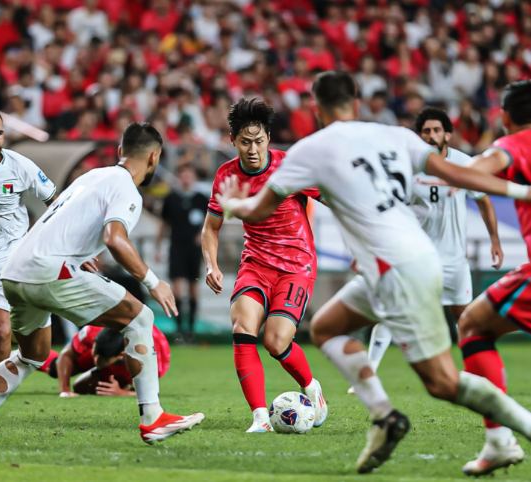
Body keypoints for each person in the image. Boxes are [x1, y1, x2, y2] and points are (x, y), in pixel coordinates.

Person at [214, 71, 531, 474]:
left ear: (316, 108)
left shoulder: (311, 149)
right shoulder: (396, 136)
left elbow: (257, 209)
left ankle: (513, 431)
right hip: (413, 257)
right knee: (327, 327)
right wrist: (522, 191)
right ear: (357, 103)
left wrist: (234, 205)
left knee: (443, 383)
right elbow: (457, 172)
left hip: (395, 269)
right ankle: (384, 416)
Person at [0, 122, 204, 447]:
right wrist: (153, 282)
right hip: (48, 269)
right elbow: (116, 240)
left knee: (31, 356)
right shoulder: (125, 188)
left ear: (121, 152)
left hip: (14, 270)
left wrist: (78, 252)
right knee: (140, 318)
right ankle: (152, 419)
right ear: (154, 158)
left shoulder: (91, 176)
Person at [354, 107, 504, 394]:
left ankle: (480, 373)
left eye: (437, 130)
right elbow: (391, 210)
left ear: (447, 134)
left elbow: (484, 200)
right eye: (426, 131)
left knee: (467, 319)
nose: (432, 135)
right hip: (416, 257)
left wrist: (494, 240)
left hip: (453, 260)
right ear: (419, 136)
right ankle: (369, 371)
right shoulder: (408, 169)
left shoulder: (464, 164)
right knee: (393, 307)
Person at [201, 98, 328, 433]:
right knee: (242, 327)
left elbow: (335, 199)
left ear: (268, 138)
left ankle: (312, 388)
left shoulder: (291, 169)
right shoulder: (226, 175)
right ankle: (260, 418)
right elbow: (210, 229)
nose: (253, 149)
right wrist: (212, 264)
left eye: (258, 141)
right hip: (255, 264)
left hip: (295, 266)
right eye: (245, 142)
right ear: (233, 141)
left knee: (275, 342)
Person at [457, 80, 531, 475]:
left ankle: (501, 440)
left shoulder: (517, 143)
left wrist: (519, 194)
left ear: (504, 118)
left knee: (471, 326)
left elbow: (472, 173)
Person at [0, 107, 56, 413]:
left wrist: (61, 243)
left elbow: (56, 203)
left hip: (8, 256)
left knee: (3, 329)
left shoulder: (20, 166)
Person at [38, 324, 171, 397]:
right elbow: (66, 354)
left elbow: (150, 390)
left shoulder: (149, 359)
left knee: (83, 387)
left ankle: (121, 382)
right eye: (95, 354)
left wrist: (123, 393)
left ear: (121, 355)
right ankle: (31, 355)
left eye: (101, 359)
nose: (96, 361)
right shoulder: (93, 330)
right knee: (56, 369)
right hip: (114, 353)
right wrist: (65, 390)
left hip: (130, 363)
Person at [157, 164, 208, 342]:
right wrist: (158, 247)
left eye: (189, 174)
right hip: (176, 248)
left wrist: (202, 236)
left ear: (194, 178)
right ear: (179, 177)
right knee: (178, 288)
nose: (186, 178)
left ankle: (191, 330)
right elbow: (163, 224)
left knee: (194, 288)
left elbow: (210, 222)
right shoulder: (171, 199)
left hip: (194, 250)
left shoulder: (202, 199)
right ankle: (180, 330)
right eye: (183, 174)